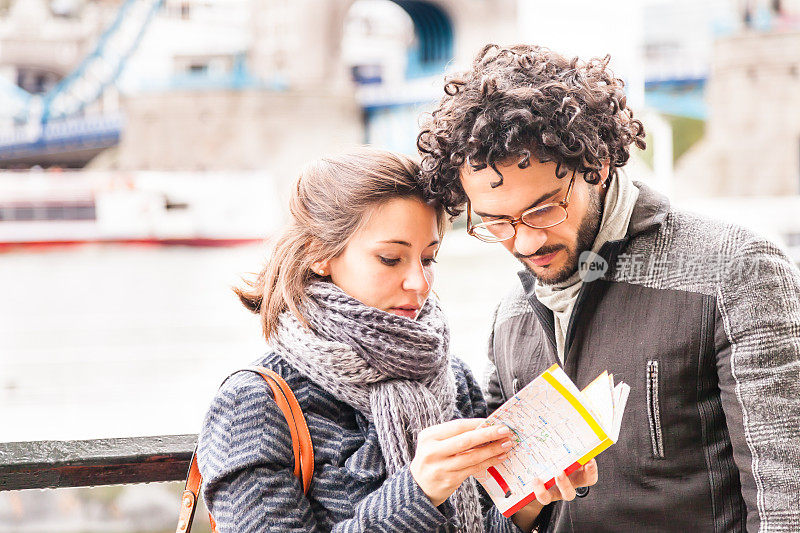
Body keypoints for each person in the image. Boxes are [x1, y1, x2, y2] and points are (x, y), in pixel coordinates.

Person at [417, 44, 800, 532]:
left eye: (542, 208)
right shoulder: (511, 315)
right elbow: (503, 513)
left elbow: (787, 505)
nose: (525, 240)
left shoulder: (736, 271)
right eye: (496, 223)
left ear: (596, 166)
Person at [196, 147, 597, 533]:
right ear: (319, 252)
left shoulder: (450, 375)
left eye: (428, 258)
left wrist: (528, 501)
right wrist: (418, 491)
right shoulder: (253, 403)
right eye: (391, 258)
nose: (418, 283)